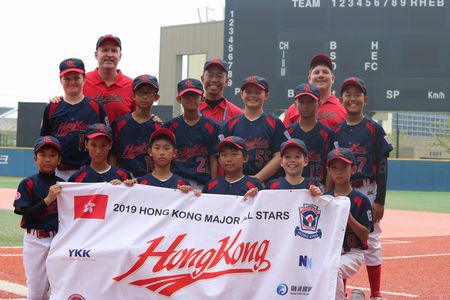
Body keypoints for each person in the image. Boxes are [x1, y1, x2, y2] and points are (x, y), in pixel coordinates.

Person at [333, 77, 393, 300]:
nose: (352, 98)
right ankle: (341, 292)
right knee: (340, 237)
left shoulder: (374, 128)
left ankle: (376, 294)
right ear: (341, 100)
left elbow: (383, 164)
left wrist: (380, 200)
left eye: (357, 94)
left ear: (365, 99)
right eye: (347, 94)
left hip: (367, 189)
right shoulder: (337, 131)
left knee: (372, 240)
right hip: (341, 189)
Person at [13, 136, 64, 300]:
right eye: (43, 154)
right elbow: (26, 214)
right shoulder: (27, 183)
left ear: (59, 160)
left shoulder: (65, 185)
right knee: (36, 292)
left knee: (61, 289)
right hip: (35, 241)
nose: (48, 159)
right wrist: (48, 200)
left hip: (59, 240)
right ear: (35, 159)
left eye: (52, 155)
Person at [40, 58, 108, 181]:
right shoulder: (52, 107)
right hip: (58, 170)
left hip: (88, 169)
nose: (72, 82)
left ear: (84, 79)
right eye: (67, 78)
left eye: (76, 78)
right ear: (60, 80)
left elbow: (107, 140)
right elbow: (44, 141)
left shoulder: (96, 107)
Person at [325, 148, 373, 300]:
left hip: (352, 253)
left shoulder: (361, 200)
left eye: (343, 167)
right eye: (334, 168)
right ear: (329, 171)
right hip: (327, 252)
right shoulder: (324, 200)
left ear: (353, 169)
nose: (338, 172)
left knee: (334, 268)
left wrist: (348, 216)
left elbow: (365, 235)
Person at [222, 75, 286, 182]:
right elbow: (222, 156)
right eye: (248, 92)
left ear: (266, 95)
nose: (252, 95)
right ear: (241, 94)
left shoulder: (275, 123)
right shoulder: (230, 124)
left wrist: (258, 178)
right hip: (236, 183)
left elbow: (279, 155)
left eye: (257, 92)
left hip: (267, 185)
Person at [163, 78, 220, 189]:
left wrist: (213, 185)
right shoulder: (170, 126)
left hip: (202, 183)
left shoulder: (212, 126)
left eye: (195, 96)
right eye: (186, 96)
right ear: (179, 99)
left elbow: (214, 158)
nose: (191, 99)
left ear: (202, 99)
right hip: (175, 183)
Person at [110, 74, 162, 178]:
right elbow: (112, 154)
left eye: (149, 92)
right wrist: (112, 176)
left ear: (156, 97)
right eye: (140, 92)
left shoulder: (159, 126)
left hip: (149, 179)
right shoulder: (119, 123)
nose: (144, 96)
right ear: (133, 95)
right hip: (122, 178)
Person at [285, 83, 334, 187]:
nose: (305, 106)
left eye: (310, 102)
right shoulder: (287, 133)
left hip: (319, 188)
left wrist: (328, 193)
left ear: (319, 104)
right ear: (295, 104)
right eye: (301, 102)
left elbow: (331, 166)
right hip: (292, 188)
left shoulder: (327, 133)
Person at [284, 54, 346, 129]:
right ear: (309, 78)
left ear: (332, 78)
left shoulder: (343, 107)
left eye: (325, 72)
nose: (320, 75)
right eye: (316, 72)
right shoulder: (294, 108)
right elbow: (285, 137)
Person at [124, 128, 194, 194]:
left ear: (174, 153)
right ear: (150, 152)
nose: (162, 152)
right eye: (157, 148)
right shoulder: (139, 183)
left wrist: (194, 194)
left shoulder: (183, 184)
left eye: (166, 148)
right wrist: (120, 186)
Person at [84, 34, 134, 123]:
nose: (110, 55)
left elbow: (139, 118)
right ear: (96, 54)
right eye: (105, 50)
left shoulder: (132, 85)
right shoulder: (83, 81)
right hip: (89, 137)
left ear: (120, 56)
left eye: (114, 51)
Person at [200, 58, 242, 126]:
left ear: (226, 81)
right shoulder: (194, 110)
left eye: (219, 76)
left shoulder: (236, 113)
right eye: (210, 75)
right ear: (202, 79)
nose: (214, 80)